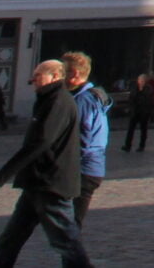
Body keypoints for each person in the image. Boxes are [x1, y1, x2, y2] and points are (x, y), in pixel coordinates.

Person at [0, 58, 94, 268]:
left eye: (38, 75)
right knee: (11, 238)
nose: (33, 80)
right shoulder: (48, 99)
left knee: (66, 241)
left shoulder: (58, 101)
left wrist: (6, 172)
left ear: (55, 76)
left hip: (51, 184)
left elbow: (42, 141)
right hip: (36, 183)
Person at [63, 55, 108, 226]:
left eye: (63, 72)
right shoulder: (93, 96)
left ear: (74, 74)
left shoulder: (82, 101)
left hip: (84, 169)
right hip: (93, 167)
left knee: (71, 225)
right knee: (71, 223)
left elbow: (83, 138)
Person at [121, 69, 153, 152]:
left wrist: (149, 113)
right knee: (130, 129)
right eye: (139, 80)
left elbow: (148, 100)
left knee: (143, 130)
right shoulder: (134, 88)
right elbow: (131, 98)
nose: (140, 81)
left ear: (145, 81)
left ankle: (141, 146)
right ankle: (127, 145)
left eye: (142, 80)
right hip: (135, 112)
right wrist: (129, 107)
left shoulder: (148, 89)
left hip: (144, 112)